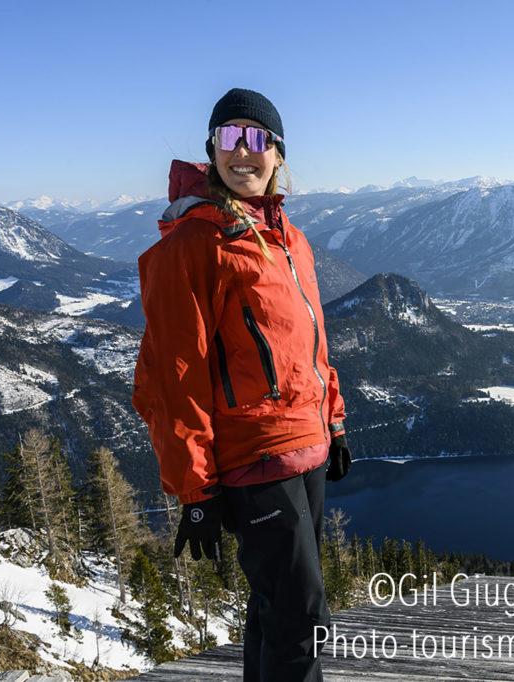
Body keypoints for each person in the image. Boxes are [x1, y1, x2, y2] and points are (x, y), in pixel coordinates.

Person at [131, 87, 353, 682]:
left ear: (278, 153)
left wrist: (333, 419)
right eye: (230, 137)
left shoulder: (291, 239)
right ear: (211, 150)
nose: (244, 151)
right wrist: (195, 488)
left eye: (257, 138)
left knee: (276, 609)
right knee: (304, 621)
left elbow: (309, 340)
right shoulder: (192, 246)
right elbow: (175, 378)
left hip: (305, 446)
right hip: (253, 457)